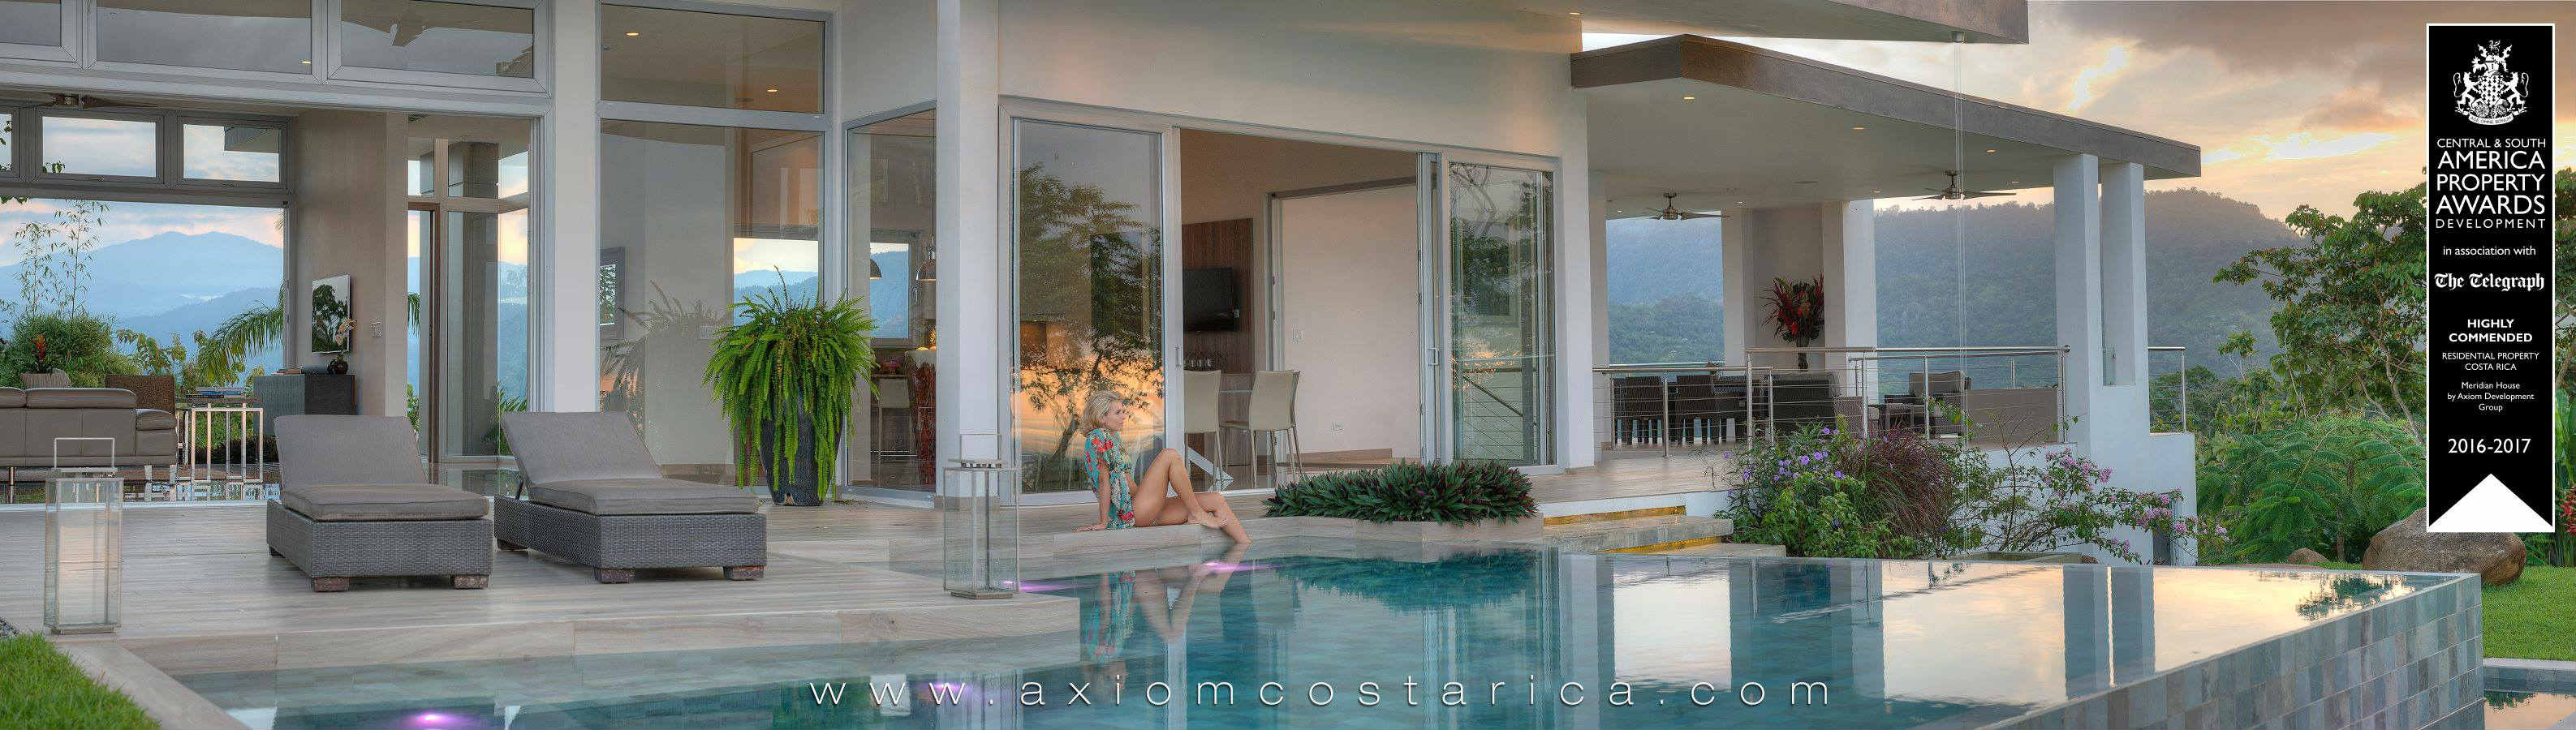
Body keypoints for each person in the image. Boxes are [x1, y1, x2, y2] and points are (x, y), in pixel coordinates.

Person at [1073, 392, 1250, 543]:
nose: (1123, 416)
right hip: (1133, 513)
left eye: (1123, 411)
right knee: (1169, 455)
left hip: (1144, 507)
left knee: (1215, 499)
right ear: (1102, 417)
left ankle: (1245, 547)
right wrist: (1104, 522)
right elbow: (1103, 481)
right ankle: (1197, 513)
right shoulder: (1098, 437)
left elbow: (1123, 482)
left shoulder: (1112, 436)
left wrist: (1150, 498)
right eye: (1118, 412)